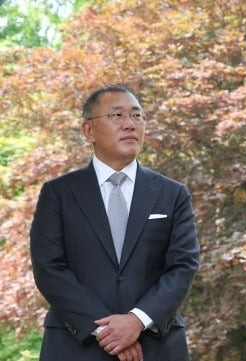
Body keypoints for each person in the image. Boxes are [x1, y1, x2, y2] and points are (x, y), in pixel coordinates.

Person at [30, 84, 200, 361]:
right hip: (76, 344)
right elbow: (49, 268)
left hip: (155, 345)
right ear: (89, 131)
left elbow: (183, 266)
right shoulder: (58, 194)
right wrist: (107, 331)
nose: (130, 124)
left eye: (137, 116)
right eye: (117, 116)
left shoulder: (172, 194)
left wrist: (136, 321)